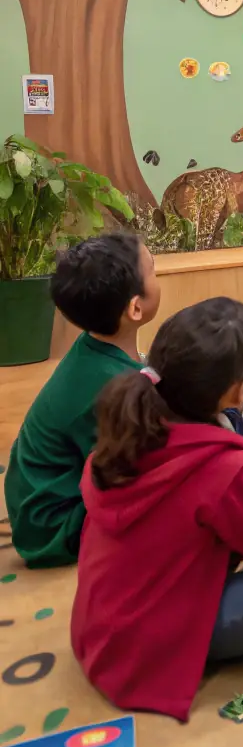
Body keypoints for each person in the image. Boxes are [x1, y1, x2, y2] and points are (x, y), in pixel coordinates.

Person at [71, 298, 243, 722]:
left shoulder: (135, 427)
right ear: (239, 390)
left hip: (105, 630)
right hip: (158, 644)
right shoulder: (221, 468)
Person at [4, 233, 160, 567]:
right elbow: (145, 464)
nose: (158, 275)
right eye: (153, 271)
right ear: (135, 308)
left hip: (47, 502)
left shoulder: (96, 349)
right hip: (55, 526)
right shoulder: (111, 389)